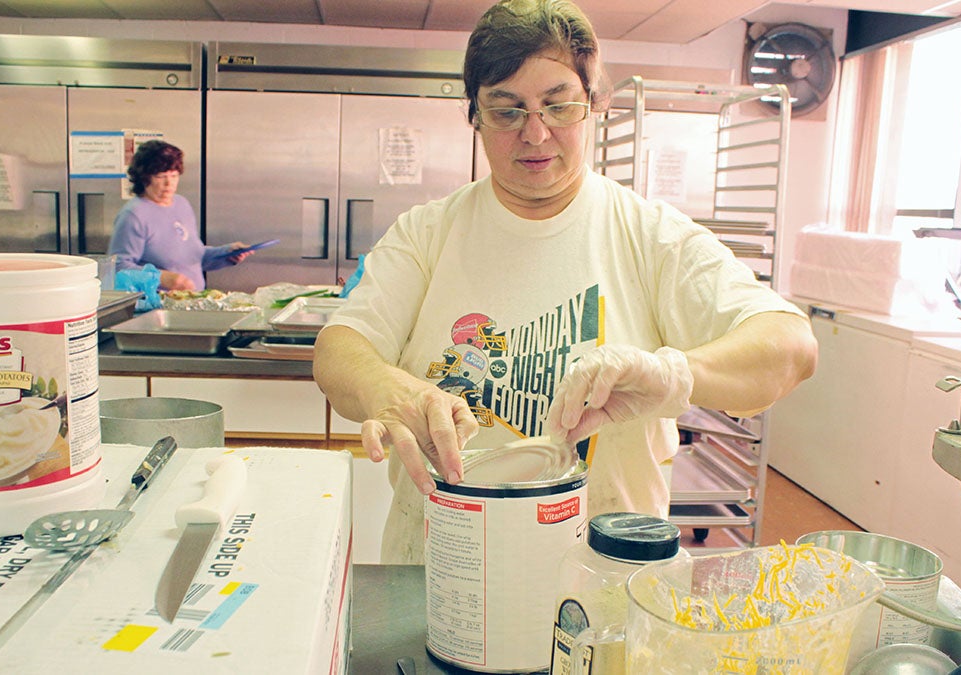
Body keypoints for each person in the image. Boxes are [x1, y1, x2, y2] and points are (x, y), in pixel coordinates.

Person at [313, 0, 819, 564]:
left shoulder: (649, 236)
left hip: (601, 583)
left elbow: (791, 348)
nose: (535, 134)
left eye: (558, 106)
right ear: (474, 115)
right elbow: (338, 351)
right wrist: (388, 389)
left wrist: (671, 375)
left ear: (592, 107)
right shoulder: (428, 233)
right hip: (439, 574)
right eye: (506, 111)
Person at [109, 140, 254, 291]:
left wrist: (226, 254)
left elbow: (194, 258)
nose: (168, 183)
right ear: (144, 177)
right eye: (160, 176)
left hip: (190, 303)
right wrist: (161, 278)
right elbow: (118, 268)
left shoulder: (181, 204)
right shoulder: (134, 215)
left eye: (174, 175)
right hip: (157, 306)